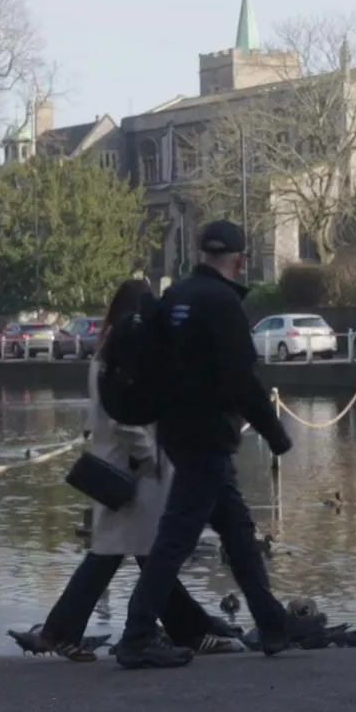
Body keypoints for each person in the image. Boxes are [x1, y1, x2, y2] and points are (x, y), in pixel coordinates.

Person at [114, 220, 303, 670]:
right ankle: (137, 635)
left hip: (175, 431)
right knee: (176, 537)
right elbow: (241, 381)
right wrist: (276, 434)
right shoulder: (222, 304)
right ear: (240, 260)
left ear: (201, 254)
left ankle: (272, 624)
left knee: (237, 532)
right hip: (208, 434)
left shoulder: (174, 297)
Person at [38, 278, 242, 662]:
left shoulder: (104, 353)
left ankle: (188, 628)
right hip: (131, 472)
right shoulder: (124, 353)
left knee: (135, 553)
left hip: (112, 467)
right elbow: (125, 417)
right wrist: (148, 456)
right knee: (132, 554)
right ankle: (64, 631)